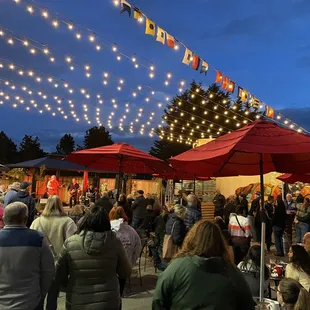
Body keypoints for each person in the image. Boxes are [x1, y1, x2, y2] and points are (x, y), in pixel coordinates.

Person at [153, 220, 255, 310]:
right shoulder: (233, 273)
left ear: (191, 239)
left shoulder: (176, 268)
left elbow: (158, 302)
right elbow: (247, 305)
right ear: (220, 243)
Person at [55, 205, 132, 310]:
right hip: (108, 301)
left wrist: (69, 286)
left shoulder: (71, 243)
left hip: (78, 300)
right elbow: (126, 272)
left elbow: (59, 273)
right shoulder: (114, 242)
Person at [0, 202, 55, 310]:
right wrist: (41, 294)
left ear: (4, 218)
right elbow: (49, 271)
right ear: (25, 219)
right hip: (30, 301)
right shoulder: (38, 239)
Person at [30, 195, 77, 310]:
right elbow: (73, 243)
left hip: (39, 265)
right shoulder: (68, 222)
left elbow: (31, 244)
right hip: (58, 265)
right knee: (53, 297)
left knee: (39, 297)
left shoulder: (37, 222)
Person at [149, 206, 169, 271]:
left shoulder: (158, 218)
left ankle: (158, 264)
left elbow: (155, 228)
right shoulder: (171, 219)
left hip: (161, 240)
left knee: (153, 246)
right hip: (166, 242)